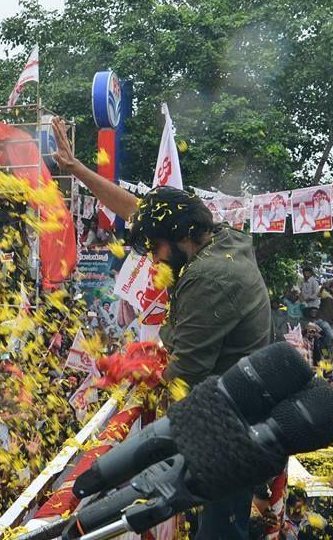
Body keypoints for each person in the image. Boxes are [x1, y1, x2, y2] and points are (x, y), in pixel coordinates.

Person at [51, 116, 270, 539]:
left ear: (179, 238)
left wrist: (125, 370)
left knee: (220, 532)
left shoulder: (208, 279)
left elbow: (180, 375)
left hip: (229, 429)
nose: (152, 258)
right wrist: (77, 168)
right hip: (235, 409)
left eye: (155, 247)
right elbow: (136, 209)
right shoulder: (217, 238)